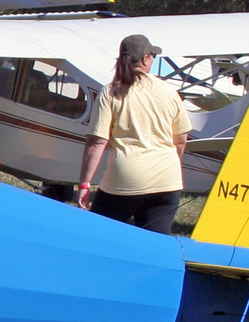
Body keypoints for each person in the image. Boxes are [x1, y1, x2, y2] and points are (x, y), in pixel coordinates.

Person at [76, 34, 191, 234]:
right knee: (156, 244)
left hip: (125, 178)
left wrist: (85, 184)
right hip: (167, 179)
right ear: (146, 59)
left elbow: (96, 142)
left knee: (99, 236)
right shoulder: (169, 91)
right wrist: (170, 164)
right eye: (153, 55)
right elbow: (180, 140)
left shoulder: (111, 91)